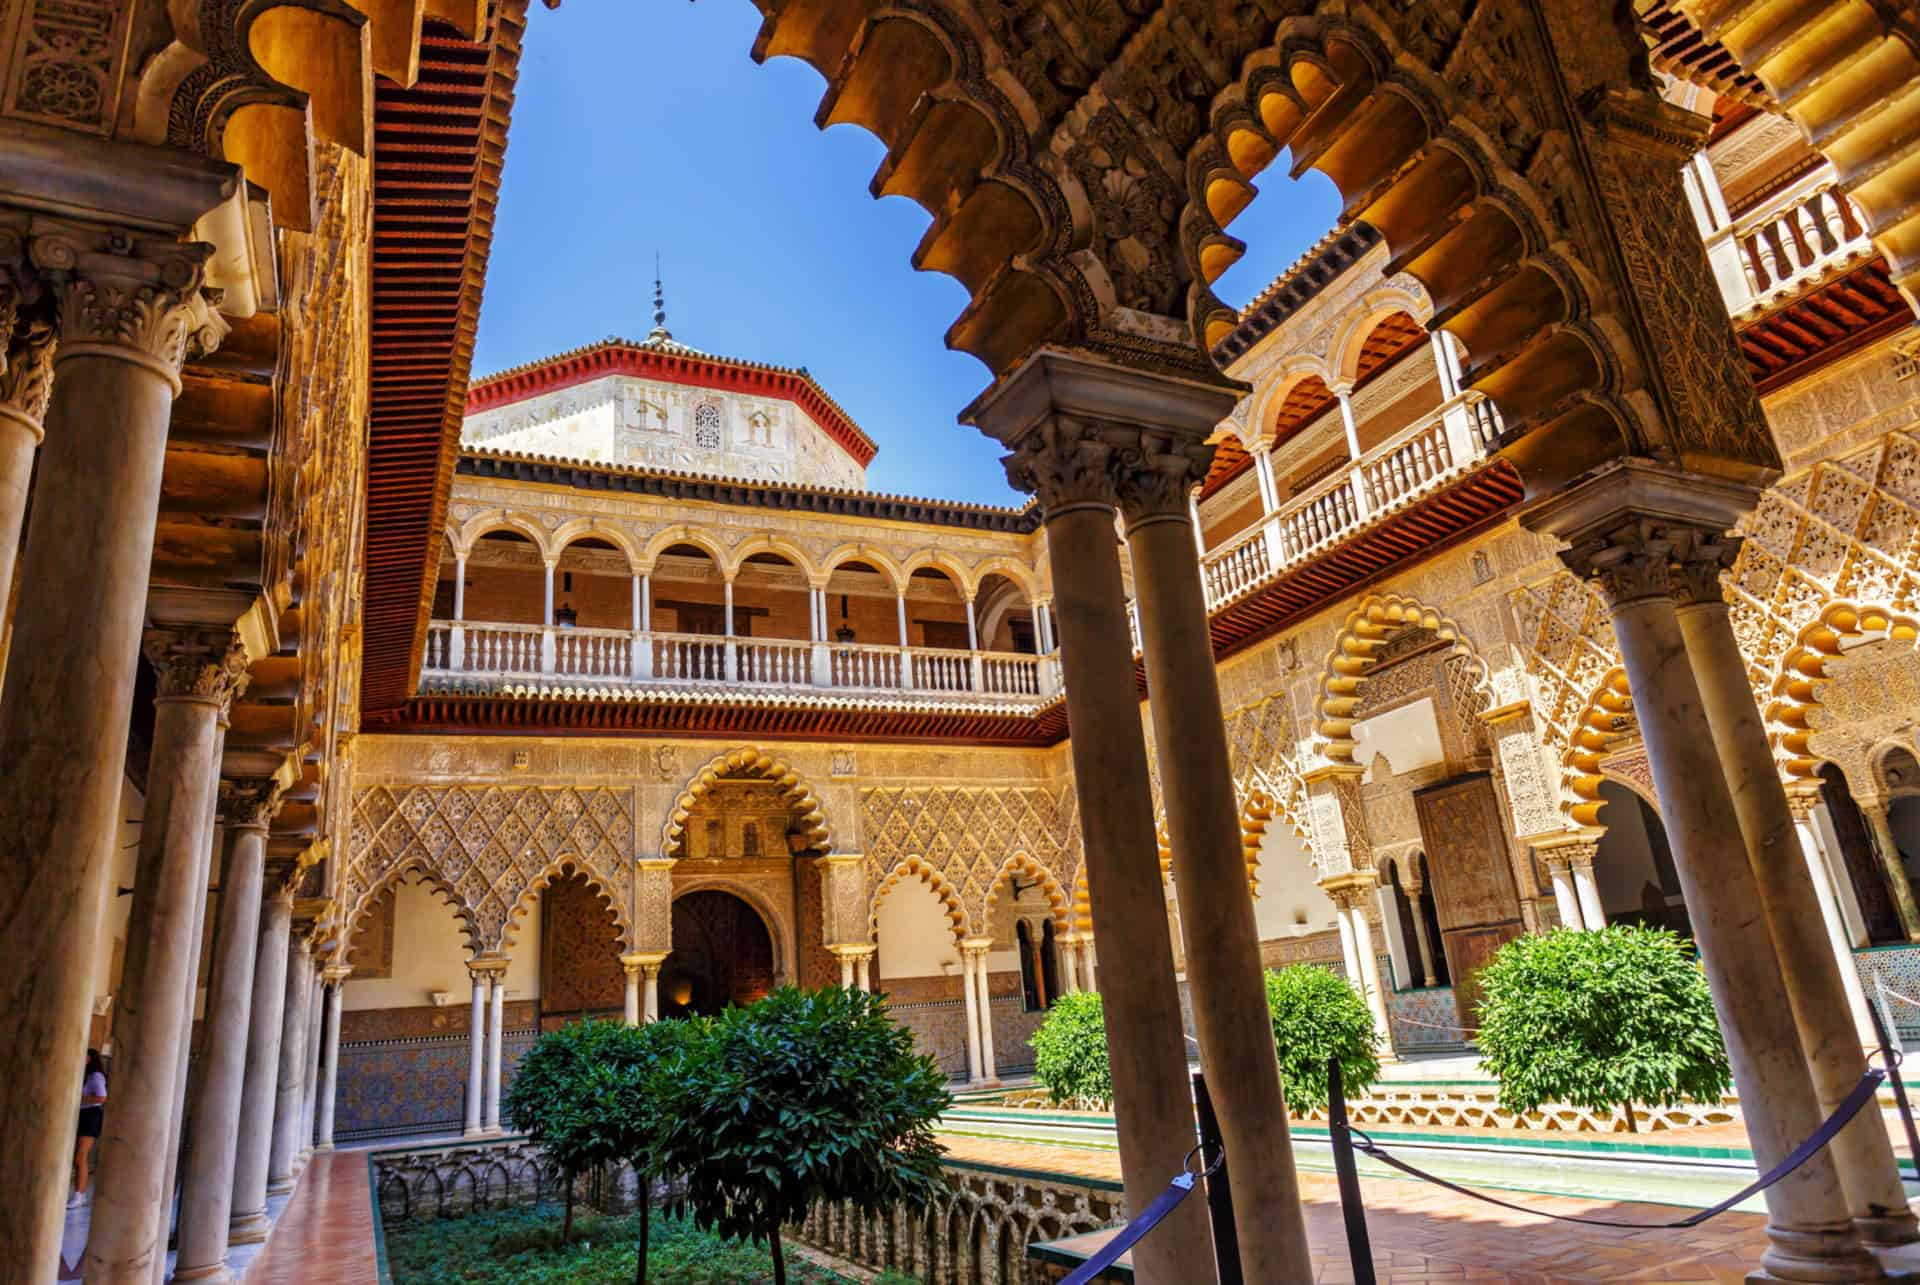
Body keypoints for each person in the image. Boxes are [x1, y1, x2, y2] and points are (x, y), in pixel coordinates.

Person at [71, 1049, 107, 1209]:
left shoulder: (95, 1076)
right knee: (76, 1157)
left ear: (91, 1059)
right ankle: (80, 1193)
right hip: (82, 1113)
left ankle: (79, 1195)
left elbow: (102, 1097)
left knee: (81, 1155)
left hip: (91, 1114)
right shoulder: (83, 1074)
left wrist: (80, 1097)